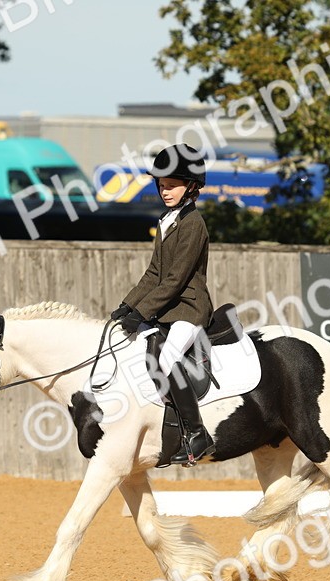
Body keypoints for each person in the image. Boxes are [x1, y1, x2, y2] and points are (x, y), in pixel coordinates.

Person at [110, 143, 216, 466]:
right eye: (161, 184)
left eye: (172, 185)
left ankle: (198, 434)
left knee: (167, 359)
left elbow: (174, 280)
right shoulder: (166, 220)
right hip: (169, 309)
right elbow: (153, 273)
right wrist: (127, 306)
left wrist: (142, 312)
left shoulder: (194, 225)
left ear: (192, 187)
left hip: (190, 308)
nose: (164, 190)